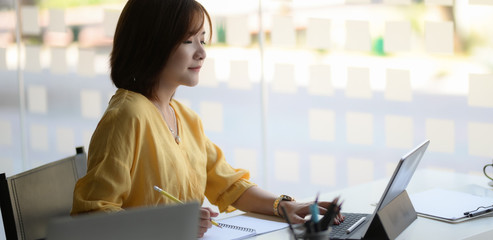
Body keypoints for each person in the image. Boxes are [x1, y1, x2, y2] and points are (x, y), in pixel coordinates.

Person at [70, 0, 343, 237]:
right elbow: (92, 217)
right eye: (188, 41)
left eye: (203, 39)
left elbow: (229, 185)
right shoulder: (127, 117)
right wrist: (170, 225)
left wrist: (283, 205)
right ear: (151, 42)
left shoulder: (185, 118)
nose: (201, 52)